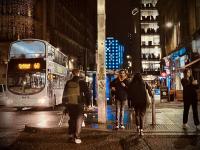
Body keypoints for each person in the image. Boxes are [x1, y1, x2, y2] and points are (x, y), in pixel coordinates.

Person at [62, 69, 91, 144]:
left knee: (72, 119)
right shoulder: (82, 82)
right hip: (79, 104)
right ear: (79, 73)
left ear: (72, 73)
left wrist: (65, 105)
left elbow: (64, 94)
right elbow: (87, 93)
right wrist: (88, 104)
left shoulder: (68, 82)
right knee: (79, 120)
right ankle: (77, 136)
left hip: (70, 104)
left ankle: (71, 136)